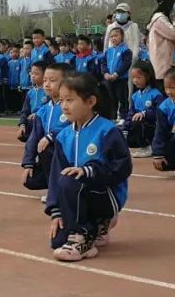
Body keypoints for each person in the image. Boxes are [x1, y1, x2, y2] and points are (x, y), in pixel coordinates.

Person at [44, 72, 132, 261]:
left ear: (90, 101)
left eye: (70, 100)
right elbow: (55, 176)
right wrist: (56, 212)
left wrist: (89, 171)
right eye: (61, 101)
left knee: (71, 180)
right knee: (57, 241)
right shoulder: (63, 136)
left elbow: (123, 166)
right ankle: (95, 226)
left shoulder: (107, 130)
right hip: (75, 197)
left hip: (105, 195)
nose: (64, 106)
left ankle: (84, 235)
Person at [21, 63, 68, 192]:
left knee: (48, 149)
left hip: (69, 154)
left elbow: (71, 127)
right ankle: (54, 184)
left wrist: (51, 136)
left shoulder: (70, 106)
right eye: (45, 80)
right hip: (50, 154)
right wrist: (28, 163)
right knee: (30, 180)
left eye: (52, 81)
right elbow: (34, 137)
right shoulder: (44, 110)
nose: (47, 84)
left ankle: (58, 190)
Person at [124, 60, 164, 158]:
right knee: (121, 132)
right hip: (138, 128)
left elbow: (158, 113)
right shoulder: (135, 96)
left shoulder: (156, 94)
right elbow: (131, 113)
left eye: (138, 77)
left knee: (138, 121)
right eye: (133, 78)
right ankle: (140, 144)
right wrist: (125, 128)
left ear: (147, 76)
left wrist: (144, 113)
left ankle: (148, 146)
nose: (135, 80)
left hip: (151, 127)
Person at [102, 26, 132, 122]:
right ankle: (112, 117)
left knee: (122, 98)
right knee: (111, 99)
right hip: (109, 79)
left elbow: (126, 64)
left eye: (116, 36)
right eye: (111, 36)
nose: (113, 38)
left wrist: (116, 74)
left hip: (121, 79)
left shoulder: (126, 50)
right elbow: (103, 63)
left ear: (122, 37)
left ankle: (124, 117)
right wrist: (105, 73)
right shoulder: (108, 51)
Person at [17, 60, 47, 143]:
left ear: (45, 75)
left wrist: (38, 113)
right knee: (23, 134)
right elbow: (25, 110)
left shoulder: (48, 91)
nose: (32, 76)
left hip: (42, 120)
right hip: (32, 121)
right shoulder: (30, 92)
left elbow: (49, 107)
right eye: (31, 73)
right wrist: (22, 124)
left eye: (36, 74)